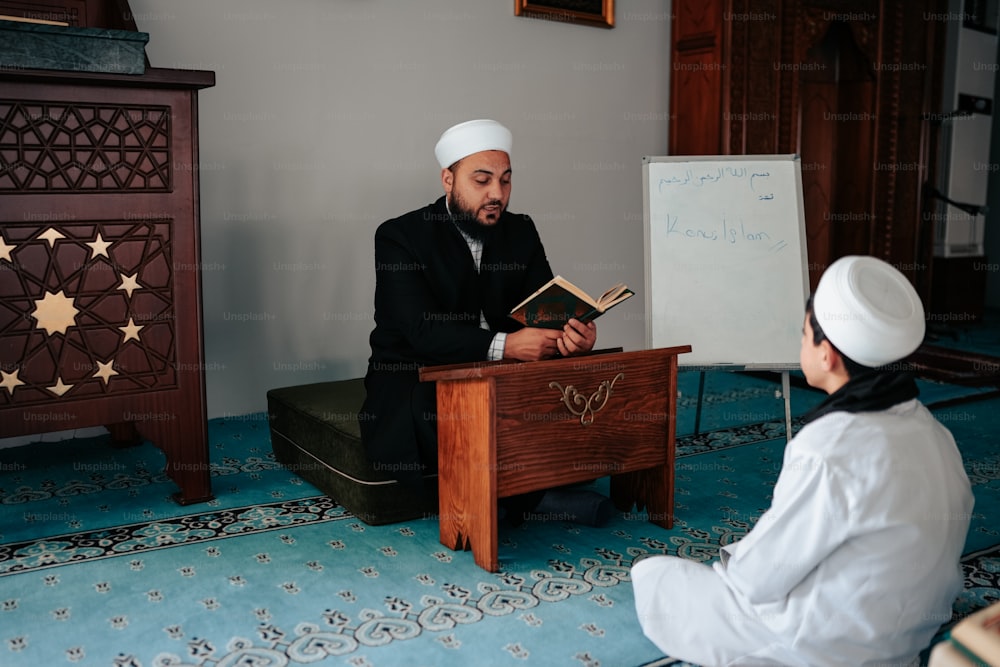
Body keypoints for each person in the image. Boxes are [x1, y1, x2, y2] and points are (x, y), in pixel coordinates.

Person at [631, 255, 974, 666]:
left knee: (654, 579)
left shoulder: (830, 446)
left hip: (827, 646)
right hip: (908, 637)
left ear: (827, 354)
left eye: (803, 334)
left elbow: (758, 581)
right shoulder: (934, 430)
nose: (799, 344)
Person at [359, 119, 600, 518]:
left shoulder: (520, 230)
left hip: (504, 373)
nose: (496, 195)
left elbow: (545, 311)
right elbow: (421, 332)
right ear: (448, 180)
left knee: (587, 379)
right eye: (482, 181)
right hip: (417, 374)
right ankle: (531, 500)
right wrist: (507, 344)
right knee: (445, 410)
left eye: (505, 181)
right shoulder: (399, 237)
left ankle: (531, 488)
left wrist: (573, 336)